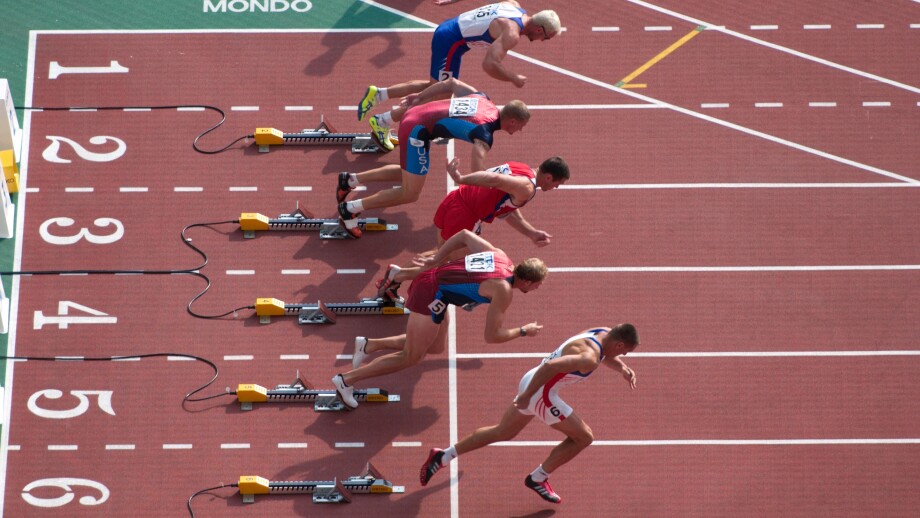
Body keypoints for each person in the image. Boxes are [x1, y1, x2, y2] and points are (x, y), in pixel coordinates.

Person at [418, 323, 640, 503]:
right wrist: (527, 396)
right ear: (619, 343)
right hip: (540, 391)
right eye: (625, 352)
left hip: (531, 380)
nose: (624, 355)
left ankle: (443, 455)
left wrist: (622, 368)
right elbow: (551, 367)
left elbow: (606, 355)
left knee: (502, 432)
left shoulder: (601, 332)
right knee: (584, 437)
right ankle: (538, 477)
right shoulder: (589, 358)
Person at [331, 229, 548, 409]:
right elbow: (492, 336)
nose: (538, 289)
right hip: (430, 293)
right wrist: (523, 331)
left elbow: (464, 235)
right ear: (527, 282)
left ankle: (369, 345)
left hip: (438, 291)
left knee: (435, 347)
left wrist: (438, 257)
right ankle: (346, 380)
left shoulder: (500, 255)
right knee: (412, 357)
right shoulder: (504, 291)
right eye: (538, 285)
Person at [336, 77, 530, 238]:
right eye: (521, 126)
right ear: (512, 121)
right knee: (410, 193)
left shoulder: (483, 99)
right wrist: (503, 185)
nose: (520, 131)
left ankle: (350, 179)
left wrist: (419, 97)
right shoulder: (484, 135)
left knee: (410, 173)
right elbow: (478, 175)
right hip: (416, 130)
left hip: (416, 114)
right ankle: (350, 208)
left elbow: (451, 82)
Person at [357, 1, 560, 138]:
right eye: (546, 37)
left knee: (433, 86)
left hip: (451, 32)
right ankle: (382, 121)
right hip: (451, 44)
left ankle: (378, 95)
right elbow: (489, 65)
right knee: (437, 96)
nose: (543, 41)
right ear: (539, 29)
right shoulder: (512, 33)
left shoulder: (513, 5)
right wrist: (513, 77)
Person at [434, 155, 569, 250]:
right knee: (449, 261)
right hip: (465, 216)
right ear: (548, 177)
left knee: (440, 254)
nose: (556, 187)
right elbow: (496, 179)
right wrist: (461, 178)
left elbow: (506, 209)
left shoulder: (521, 168)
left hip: (455, 198)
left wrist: (531, 233)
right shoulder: (526, 187)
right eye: (558, 183)